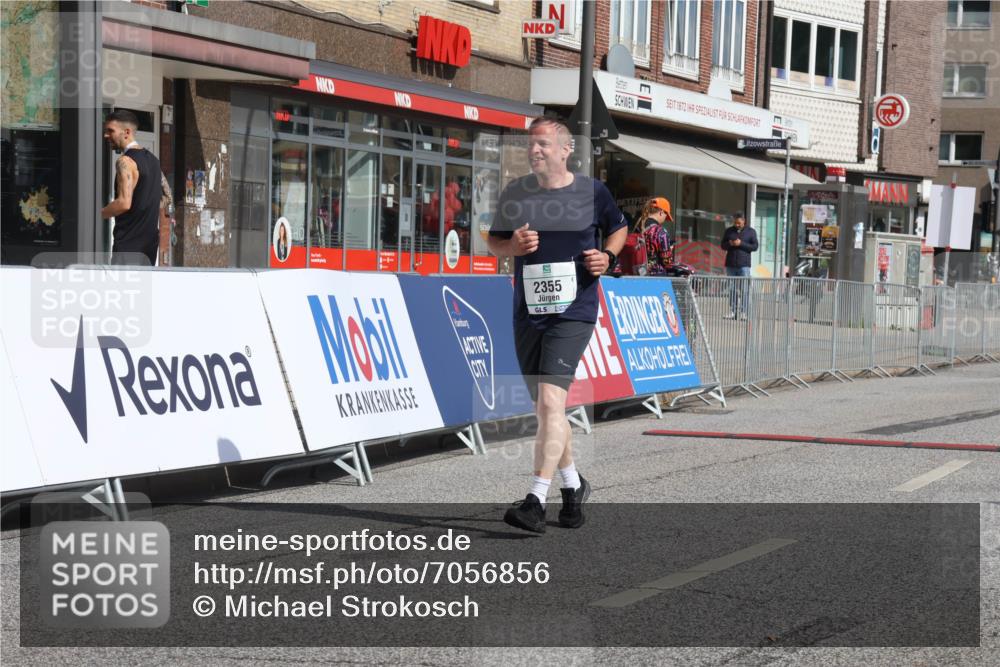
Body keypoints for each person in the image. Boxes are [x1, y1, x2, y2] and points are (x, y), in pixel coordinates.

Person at [488, 117, 627, 533]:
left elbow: (619, 228)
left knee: (551, 402)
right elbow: (494, 240)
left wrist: (607, 257)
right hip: (528, 312)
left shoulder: (592, 192)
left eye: (544, 144)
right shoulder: (517, 193)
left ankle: (535, 500)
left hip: (574, 310)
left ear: (567, 150)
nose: (534, 151)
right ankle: (573, 486)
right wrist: (511, 246)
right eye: (531, 144)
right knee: (548, 409)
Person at [101, 110, 172, 266]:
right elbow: (168, 197)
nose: (106, 135)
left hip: (127, 246)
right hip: (149, 249)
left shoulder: (125, 162)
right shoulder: (154, 161)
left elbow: (124, 203)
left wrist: (97, 214)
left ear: (127, 132)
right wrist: (144, 206)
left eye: (110, 131)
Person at [720, 212, 758, 319]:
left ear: (744, 221)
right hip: (731, 264)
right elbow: (722, 245)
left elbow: (755, 246)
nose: (737, 225)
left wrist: (741, 243)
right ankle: (733, 311)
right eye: (735, 223)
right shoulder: (729, 231)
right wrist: (730, 244)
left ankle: (744, 312)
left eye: (739, 223)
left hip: (744, 264)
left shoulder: (751, 232)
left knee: (744, 289)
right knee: (732, 288)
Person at [636, 197, 674, 275]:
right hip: (656, 276)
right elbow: (667, 262)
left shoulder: (637, 227)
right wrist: (669, 249)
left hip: (637, 274)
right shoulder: (660, 232)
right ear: (661, 212)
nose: (665, 219)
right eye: (666, 215)